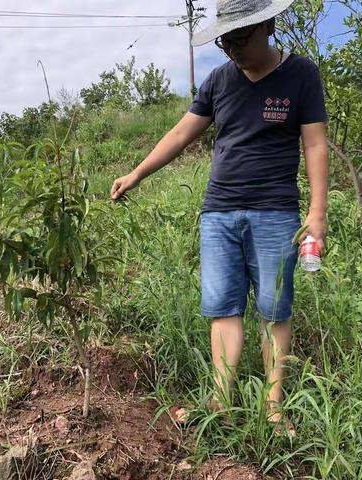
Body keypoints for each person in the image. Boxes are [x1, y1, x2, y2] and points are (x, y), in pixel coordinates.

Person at [110, 0, 328, 438]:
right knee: (222, 308)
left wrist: (317, 212)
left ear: (267, 25)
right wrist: (136, 173)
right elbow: (180, 132)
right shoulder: (219, 81)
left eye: (239, 38)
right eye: (225, 41)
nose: (231, 49)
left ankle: (273, 408)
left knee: (273, 309)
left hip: (274, 212)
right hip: (219, 214)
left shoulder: (301, 75)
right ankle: (222, 403)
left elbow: (315, 144)